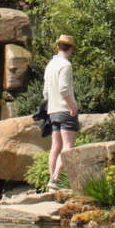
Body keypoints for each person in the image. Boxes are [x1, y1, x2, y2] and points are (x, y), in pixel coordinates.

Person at [43, 34, 79, 190]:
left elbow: (45, 92)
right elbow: (64, 89)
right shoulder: (66, 65)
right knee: (68, 145)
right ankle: (55, 178)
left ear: (58, 47)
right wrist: (72, 106)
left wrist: (50, 106)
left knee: (55, 146)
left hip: (53, 110)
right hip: (65, 110)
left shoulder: (50, 65)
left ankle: (52, 181)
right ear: (71, 49)